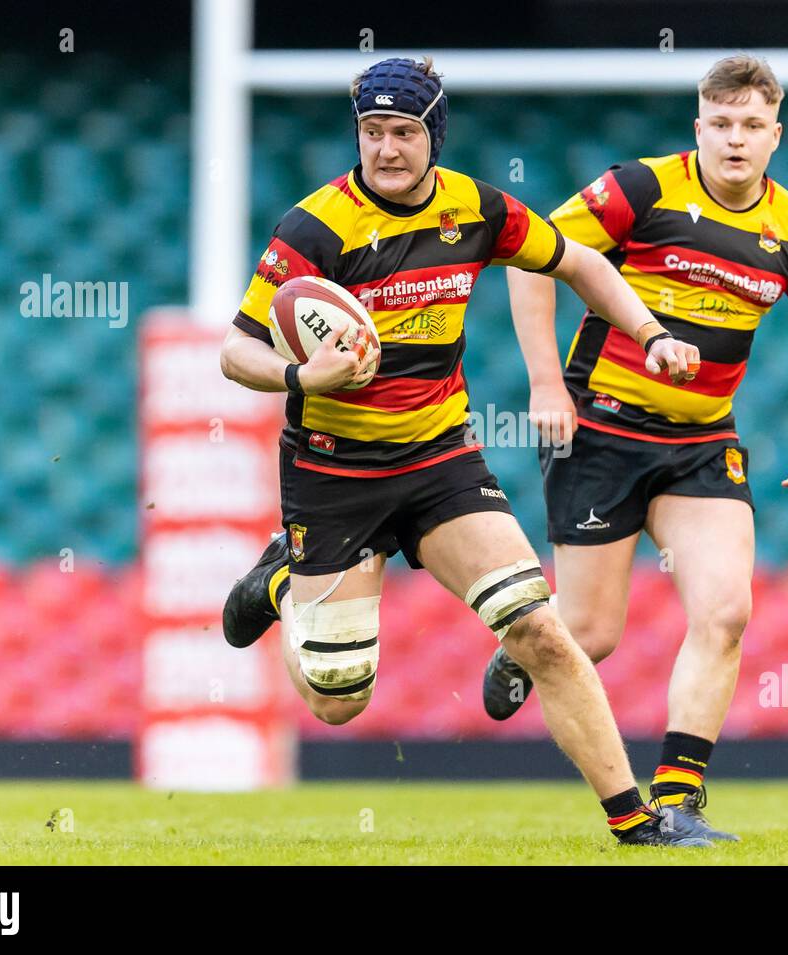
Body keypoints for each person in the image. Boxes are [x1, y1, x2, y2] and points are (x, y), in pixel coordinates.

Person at [218, 56, 709, 846]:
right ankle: (285, 574)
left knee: (540, 631)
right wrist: (302, 373)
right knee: (338, 698)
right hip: (334, 473)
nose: (385, 148)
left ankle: (637, 823)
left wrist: (648, 332)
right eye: (372, 132)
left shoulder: (477, 208)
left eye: (403, 132)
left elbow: (579, 261)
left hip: (440, 461)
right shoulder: (315, 227)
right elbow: (234, 351)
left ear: (433, 134)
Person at [484, 53, 788, 842]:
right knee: (590, 635)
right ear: (699, 128)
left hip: (701, 444)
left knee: (727, 611)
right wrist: (545, 385)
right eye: (721, 124)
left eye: (752, 127)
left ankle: (677, 801)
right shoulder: (642, 189)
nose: (736, 140)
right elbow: (533, 262)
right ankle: (526, 644)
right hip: (600, 426)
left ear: (777, 135)